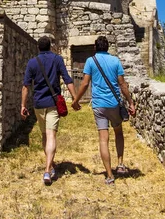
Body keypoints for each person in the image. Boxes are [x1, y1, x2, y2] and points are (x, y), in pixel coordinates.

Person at [71, 35, 136, 185]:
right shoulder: (115, 61)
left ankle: (109, 175)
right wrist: (131, 102)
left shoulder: (90, 61)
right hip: (114, 103)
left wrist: (76, 100)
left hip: (99, 105)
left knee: (103, 139)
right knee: (118, 132)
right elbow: (122, 85)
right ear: (107, 47)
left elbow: (85, 83)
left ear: (95, 47)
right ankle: (120, 164)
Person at [21, 36, 77, 185]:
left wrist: (23, 105)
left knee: (45, 135)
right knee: (51, 135)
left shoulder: (32, 62)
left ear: (38, 47)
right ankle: (48, 169)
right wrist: (75, 98)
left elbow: (26, 86)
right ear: (50, 46)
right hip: (53, 102)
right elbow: (67, 79)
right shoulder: (57, 59)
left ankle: (50, 166)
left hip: (38, 103)